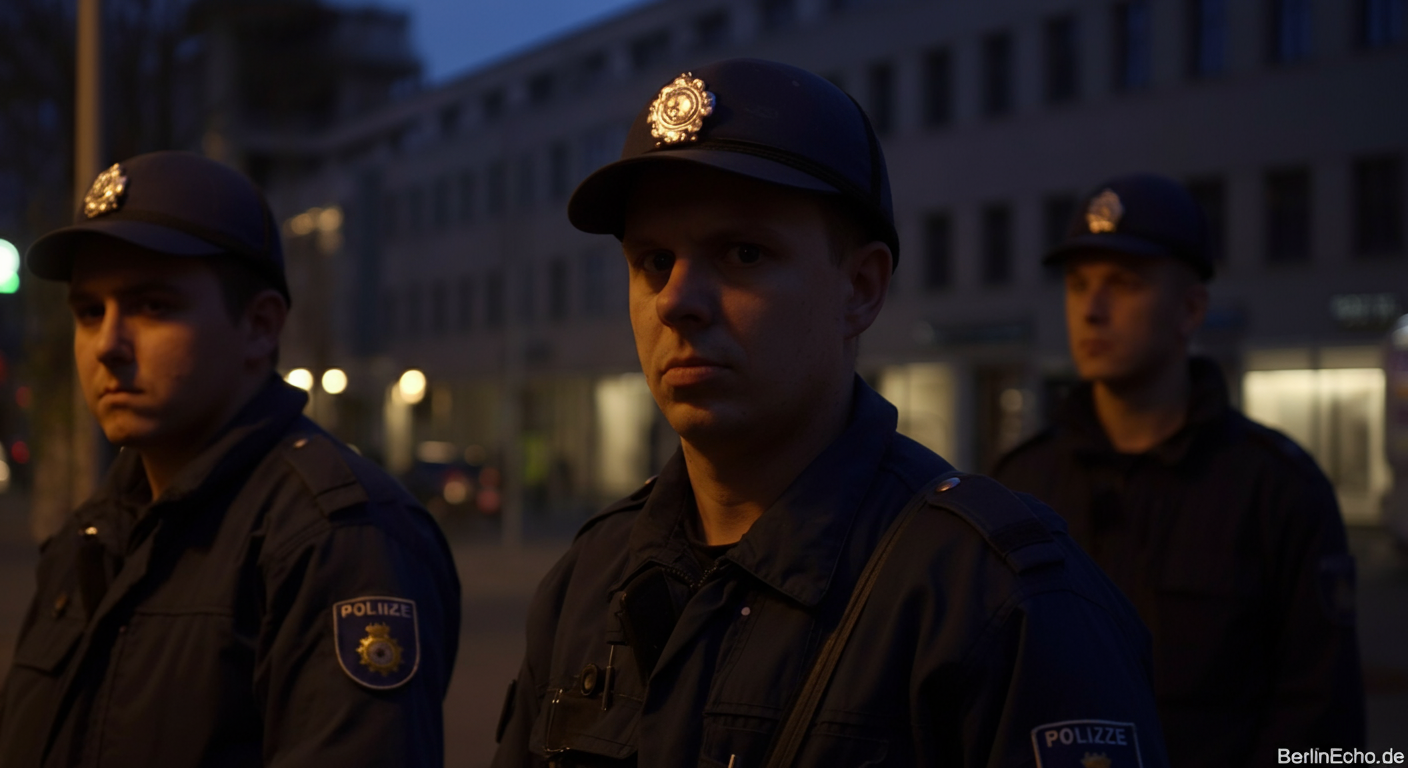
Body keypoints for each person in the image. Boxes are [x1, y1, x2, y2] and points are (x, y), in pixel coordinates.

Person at [492, 59, 1167, 768]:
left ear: (862, 289)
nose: (675, 301)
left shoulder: (1001, 607)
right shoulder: (588, 581)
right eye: (654, 260)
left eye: (742, 253)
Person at [0, 151, 460, 767]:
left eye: (153, 305)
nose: (108, 344)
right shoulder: (92, 533)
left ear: (259, 326)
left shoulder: (336, 541)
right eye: (90, 311)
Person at [993, 174, 1365, 766]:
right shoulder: (1022, 485)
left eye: (1123, 284)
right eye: (1078, 284)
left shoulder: (1276, 489)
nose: (1091, 310)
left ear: (1190, 309)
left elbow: (1322, 724)